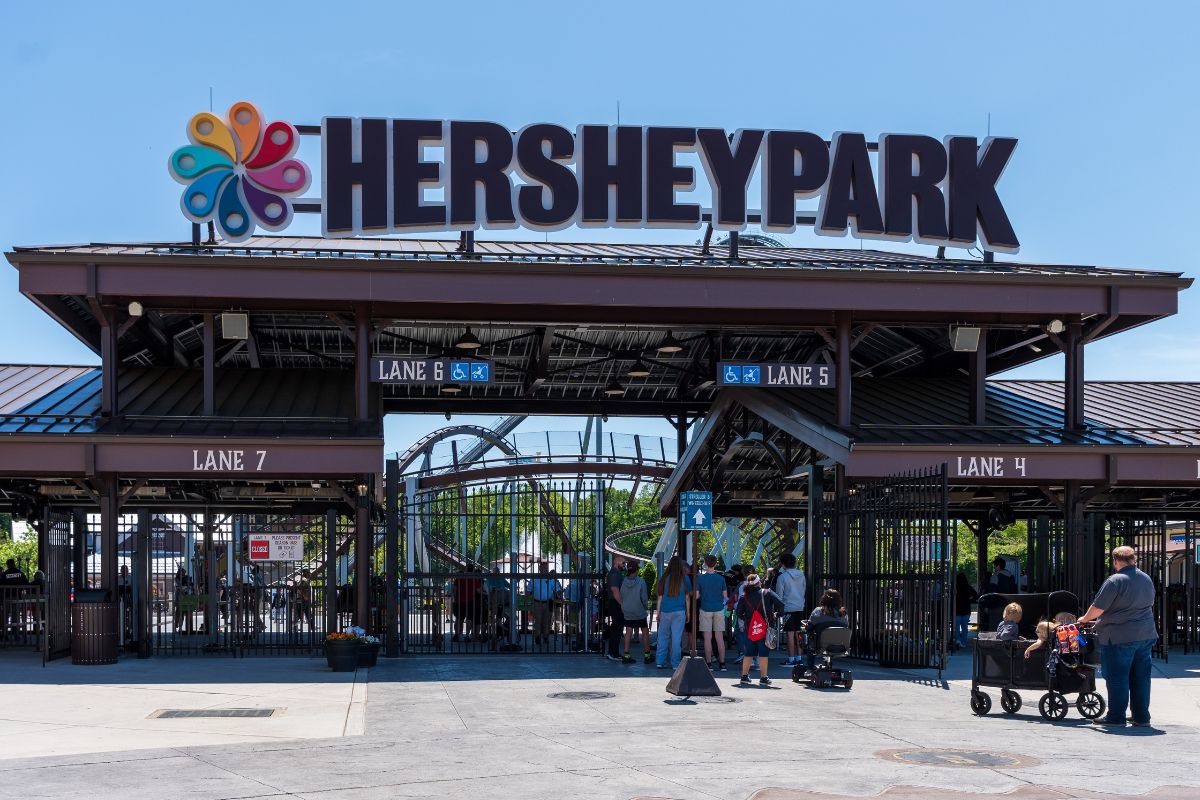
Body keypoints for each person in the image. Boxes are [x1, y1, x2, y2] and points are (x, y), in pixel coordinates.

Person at [1078, 546, 1158, 728]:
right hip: (1145, 635)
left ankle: (1116, 716)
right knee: (1141, 677)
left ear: (1115, 561)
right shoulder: (1146, 579)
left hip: (1119, 637)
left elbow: (1098, 608)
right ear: (1134, 559)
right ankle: (1141, 717)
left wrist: (1084, 619)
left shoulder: (1115, 581)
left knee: (1117, 677)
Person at [735, 573, 783, 686]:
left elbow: (738, 613)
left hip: (750, 628)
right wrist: (776, 615)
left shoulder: (744, 596)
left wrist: (747, 619)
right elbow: (781, 604)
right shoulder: (767, 593)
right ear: (759, 582)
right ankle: (763, 678)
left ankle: (744, 676)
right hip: (765, 628)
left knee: (749, 653)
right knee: (763, 653)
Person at [655, 555, 692, 670]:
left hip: (665, 611)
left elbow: (660, 597)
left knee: (663, 636)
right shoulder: (685, 579)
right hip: (680, 611)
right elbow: (687, 597)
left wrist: (658, 612)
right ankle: (675, 663)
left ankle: (660, 661)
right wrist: (688, 612)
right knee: (676, 638)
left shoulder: (664, 578)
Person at [694, 555, 728, 670]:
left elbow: (697, 596)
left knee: (707, 638)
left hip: (705, 609)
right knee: (719, 637)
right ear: (715, 564)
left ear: (705, 564)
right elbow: (725, 596)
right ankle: (722, 664)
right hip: (719, 609)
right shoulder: (721, 578)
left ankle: (709, 664)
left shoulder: (700, 578)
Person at [774, 553, 807, 666]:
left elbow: (779, 595)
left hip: (788, 607)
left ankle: (791, 659)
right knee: (798, 633)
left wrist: (778, 610)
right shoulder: (801, 575)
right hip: (800, 606)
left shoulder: (782, 577)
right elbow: (803, 589)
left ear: (783, 564)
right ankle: (799, 658)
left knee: (789, 634)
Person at [804, 588, 849, 672]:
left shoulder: (818, 611)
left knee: (811, 639)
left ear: (823, 599)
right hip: (840, 646)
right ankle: (827, 665)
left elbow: (808, 627)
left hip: (821, 646)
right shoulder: (844, 614)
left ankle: (809, 668)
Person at [619, 560, 651, 664]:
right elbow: (644, 598)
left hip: (627, 610)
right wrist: (646, 607)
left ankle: (626, 655)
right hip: (639, 610)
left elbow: (622, 596)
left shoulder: (623, 581)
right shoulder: (641, 581)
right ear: (637, 570)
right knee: (645, 632)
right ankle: (647, 655)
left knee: (628, 631)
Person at [527, 562, 563, 648]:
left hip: (548, 602)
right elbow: (528, 591)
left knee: (547, 621)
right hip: (537, 602)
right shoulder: (534, 579)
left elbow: (557, 589)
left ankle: (546, 637)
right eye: (543, 568)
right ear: (540, 569)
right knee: (538, 621)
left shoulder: (551, 579)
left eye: (546, 569)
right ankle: (538, 637)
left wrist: (559, 593)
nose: (545, 570)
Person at [604, 555, 626, 662]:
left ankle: (613, 652)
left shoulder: (615, 573)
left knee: (617, 628)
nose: (624, 565)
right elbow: (615, 590)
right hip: (615, 603)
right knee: (617, 628)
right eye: (623, 563)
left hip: (615, 602)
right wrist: (622, 604)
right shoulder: (614, 574)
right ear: (617, 563)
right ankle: (613, 653)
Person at [954, 570, 979, 651]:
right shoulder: (968, 587)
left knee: (956, 627)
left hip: (957, 609)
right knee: (965, 627)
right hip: (966, 609)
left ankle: (957, 640)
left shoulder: (955, 587)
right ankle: (964, 643)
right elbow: (976, 596)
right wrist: (969, 601)